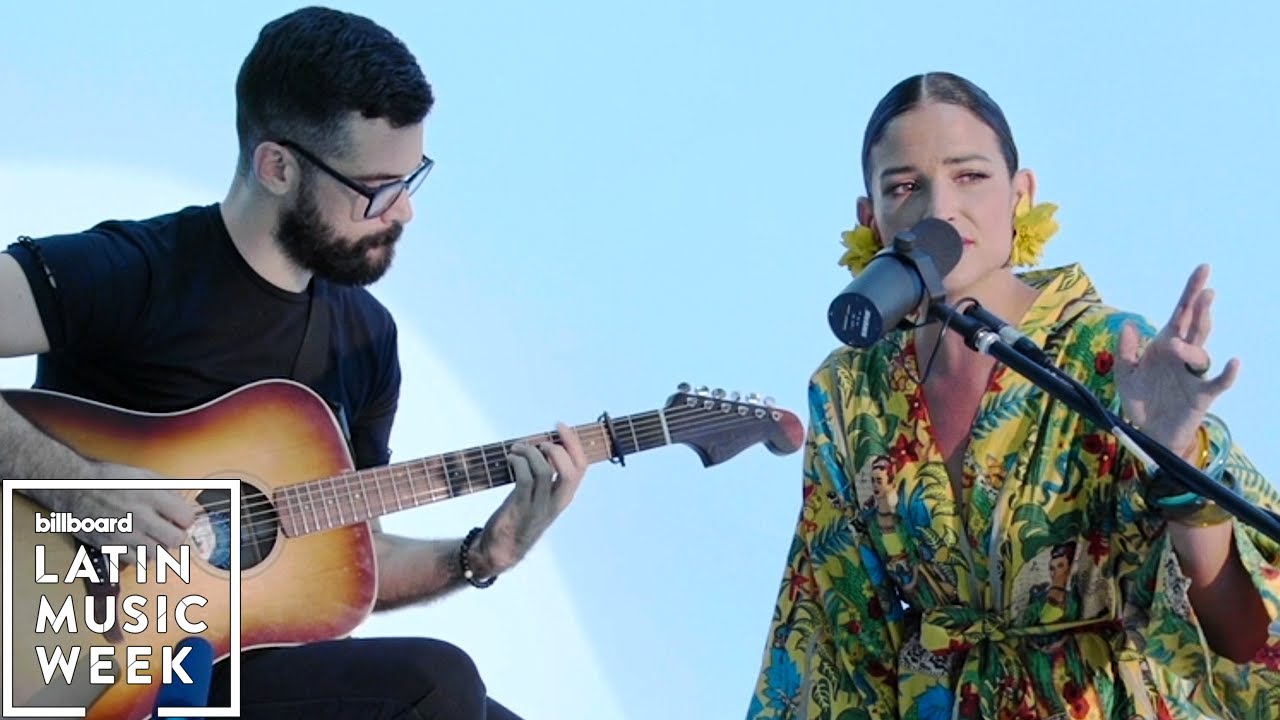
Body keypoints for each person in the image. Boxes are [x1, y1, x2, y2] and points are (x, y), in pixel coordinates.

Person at [0, 7, 588, 719]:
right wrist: (79, 484)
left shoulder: (366, 342)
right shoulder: (135, 271)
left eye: (412, 179)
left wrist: (480, 556)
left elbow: (350, 558)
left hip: (241, 670)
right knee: (440, 682)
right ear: (277, 166)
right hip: (84, 654)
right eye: (376, 188)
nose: (403, 213)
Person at [747, 71, 1280, 719]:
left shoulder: (1113, 354)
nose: (940, 207)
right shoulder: (850, 389)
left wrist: (1179, 455)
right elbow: (835, 633)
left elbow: (1241, 635)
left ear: (1020, 194)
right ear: (871, 217)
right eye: (905, 186)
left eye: (969, 175)